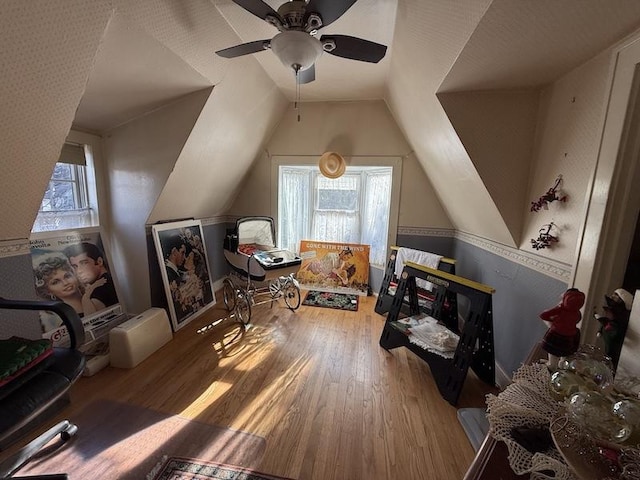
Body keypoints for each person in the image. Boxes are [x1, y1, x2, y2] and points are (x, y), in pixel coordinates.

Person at [34, 256, 101, 323]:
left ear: (75, 275)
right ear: (48, 291)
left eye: (67, 276)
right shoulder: (67, 323)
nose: (65, 283)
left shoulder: (98, 294)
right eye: (55, 282)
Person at [63, 242, 118, 311]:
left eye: (84, 263)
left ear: (99, 261)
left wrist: (86, 298)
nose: (79, 271)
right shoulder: (113, 280)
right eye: (75, 266)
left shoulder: (98, 292)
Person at [539, 288, 586, 368]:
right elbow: (577, 320)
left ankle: (551, 366)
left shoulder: (561, 309)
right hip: (568, 339)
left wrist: (553, 320)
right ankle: (561, 364)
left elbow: (543, 315)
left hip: (555, 336)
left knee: (553, 354)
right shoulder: (577, 313)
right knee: (564, 354)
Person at [595, 288, 634, 368]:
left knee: (612, 355)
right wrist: (600, 330)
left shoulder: (622, 315)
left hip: (615, 339)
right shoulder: (611, 311)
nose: (612, 296)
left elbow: (615, 327)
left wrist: (604, 323)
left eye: (616, 295)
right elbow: (607, 320)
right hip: (608, 337)